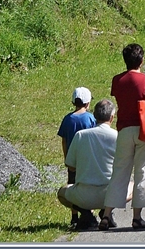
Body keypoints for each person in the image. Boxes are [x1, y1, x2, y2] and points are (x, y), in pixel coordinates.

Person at [104, 43, 145, 230]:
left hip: (124, 130)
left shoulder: (117, 80)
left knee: (119, 172)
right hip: (144, 131)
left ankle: (106, 215)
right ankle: (137, 217)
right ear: (142, 60)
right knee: (143, 172)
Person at [58, 98, 117, 229]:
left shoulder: (80, 135)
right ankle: (106, 212)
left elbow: (71, 166)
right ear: (112, 117)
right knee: (132, 186)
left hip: (84, 194)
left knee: (61, 192)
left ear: (94, 116)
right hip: (109, 195)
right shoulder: (117, 136)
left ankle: (86, 214)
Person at [57, 87, 97, 227]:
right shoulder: (90, 118)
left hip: (72, 160)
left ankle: (74, 217)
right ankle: (88, 212)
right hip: (86, 159)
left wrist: (66, 157)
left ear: (73, 102)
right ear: (87, 103)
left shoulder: (67, 119)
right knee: (87, 185)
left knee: (72, 186)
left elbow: (63, 140)